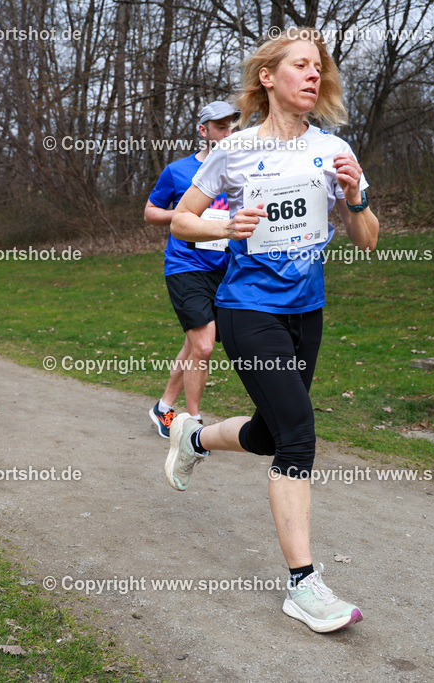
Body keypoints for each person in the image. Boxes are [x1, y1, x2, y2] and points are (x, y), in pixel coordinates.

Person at [164, 27, 379, 634]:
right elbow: (182, 221)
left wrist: (355, 196)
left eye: (320, 68)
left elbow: (366, 239)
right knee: (299, 436)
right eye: (301, 66)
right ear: (268, 77)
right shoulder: (234, 151)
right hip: (247, 307)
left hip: (305, 311)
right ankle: (303, 585)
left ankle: (194, 440)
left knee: (269, 431)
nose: (314, 75)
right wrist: (224, 227)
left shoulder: (331, 148)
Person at [145, 101, 236, 438]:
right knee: (205, 346)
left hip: (224, 267)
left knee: (195, 345)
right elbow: (151, 211)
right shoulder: (177, 170)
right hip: (185, 265)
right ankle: (194, 424)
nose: (229, 133)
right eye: (221, 127)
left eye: (232, 126)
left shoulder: (238, 170)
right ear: (204, 130)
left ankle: (164, 408)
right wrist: (186, 215)